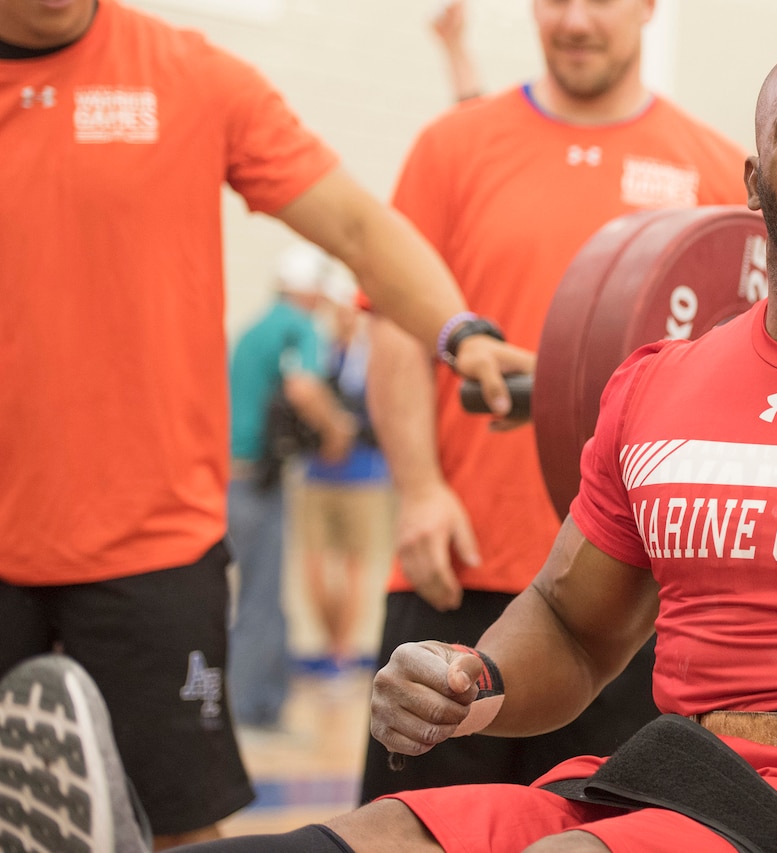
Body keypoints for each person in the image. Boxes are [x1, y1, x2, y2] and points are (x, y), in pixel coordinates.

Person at [5, 33, 777, 853]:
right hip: (661, 776)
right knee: (364, 836)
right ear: (755, 181)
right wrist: (474, 682)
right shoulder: (660, 384)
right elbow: (574, 625)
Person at [0, 0, 530, 847]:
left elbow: (358, 225)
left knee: (177, 823)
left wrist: (458, 332)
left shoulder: (192, 77)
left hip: (151, 549)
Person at [360, 0, 748, 799]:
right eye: (554, 1)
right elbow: (399, 332)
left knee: (600, 832)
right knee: (416, 828)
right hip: (462, 572)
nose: (574, 21)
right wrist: (422, 492)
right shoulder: (452, 147)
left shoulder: (713, 169)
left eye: (600, 1)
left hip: (629, 600)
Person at [226, 243, 358, 729]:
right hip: (258, 483)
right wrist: (336, 429)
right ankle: (251, 710)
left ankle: (262, 701)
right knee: (262, 598)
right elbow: (305, 386)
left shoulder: (253, 330)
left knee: (256, 596)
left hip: (233, 480)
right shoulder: (297, 326)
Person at [297, 266, 392, 673]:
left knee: (354, 567)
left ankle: (341, 651)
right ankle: (332, 642)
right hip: (319, 476)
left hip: (364, 478)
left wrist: (346, 430)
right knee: (316, 567)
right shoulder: (319, 352)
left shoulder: (373, 357)